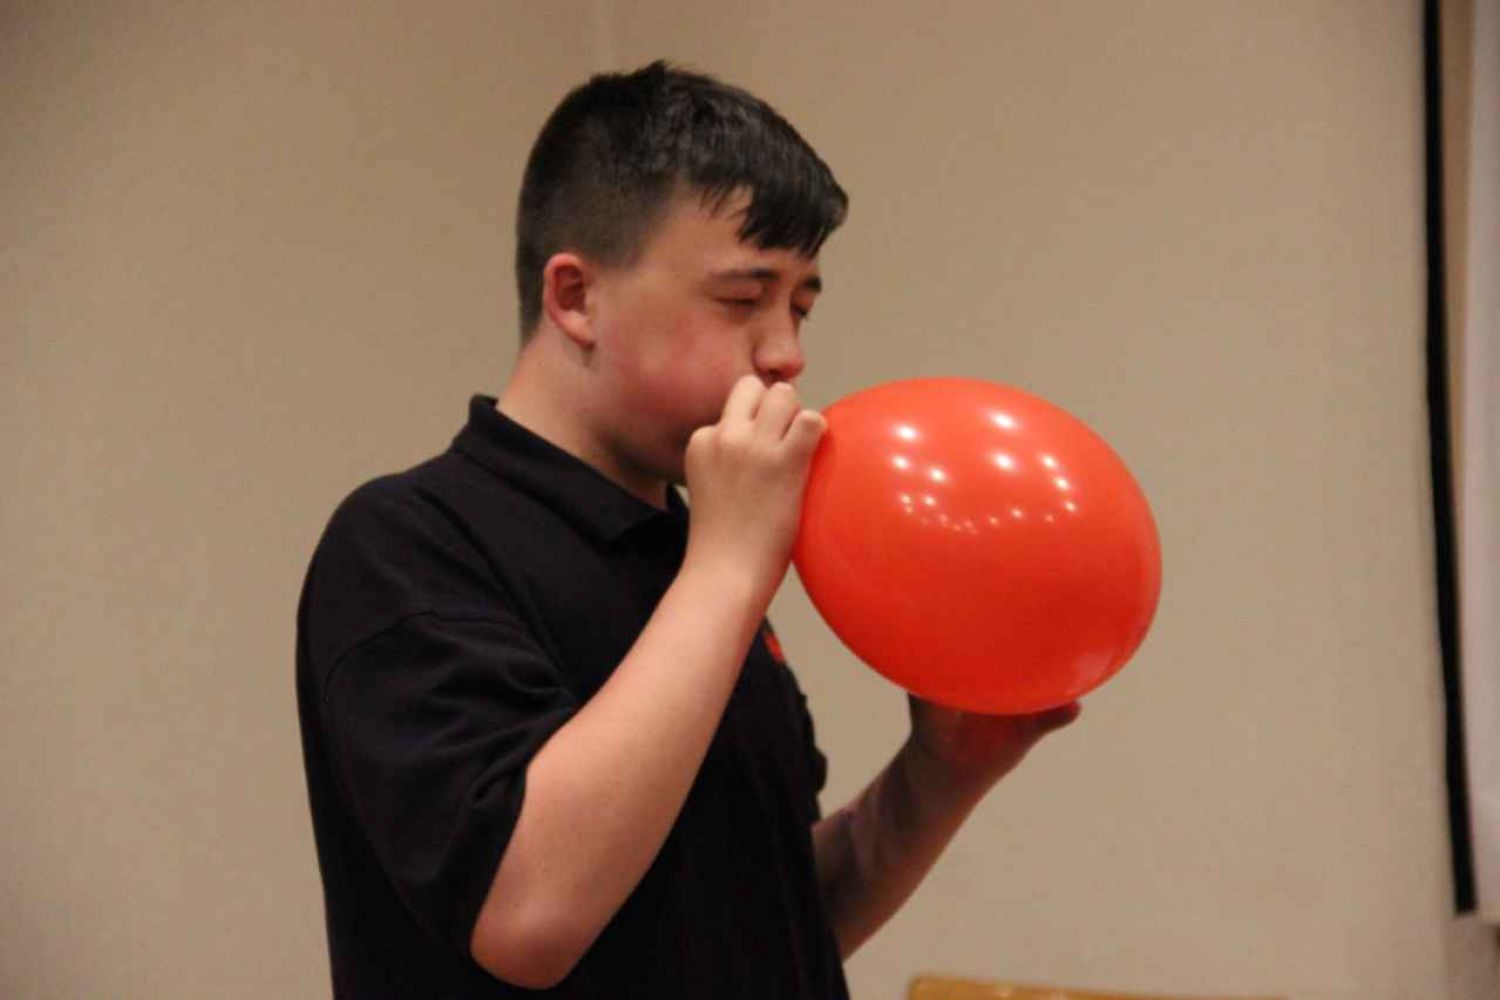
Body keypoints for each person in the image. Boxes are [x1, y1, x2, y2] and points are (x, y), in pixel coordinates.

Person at [295, 61, 1079, 999]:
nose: (787, 353)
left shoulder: (695, 555)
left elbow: (779, 914)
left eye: (801, 305)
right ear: (576, 298)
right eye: (744, 300)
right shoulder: (409, 543)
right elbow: (529, 913)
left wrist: (938, 776)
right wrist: (730, 568)